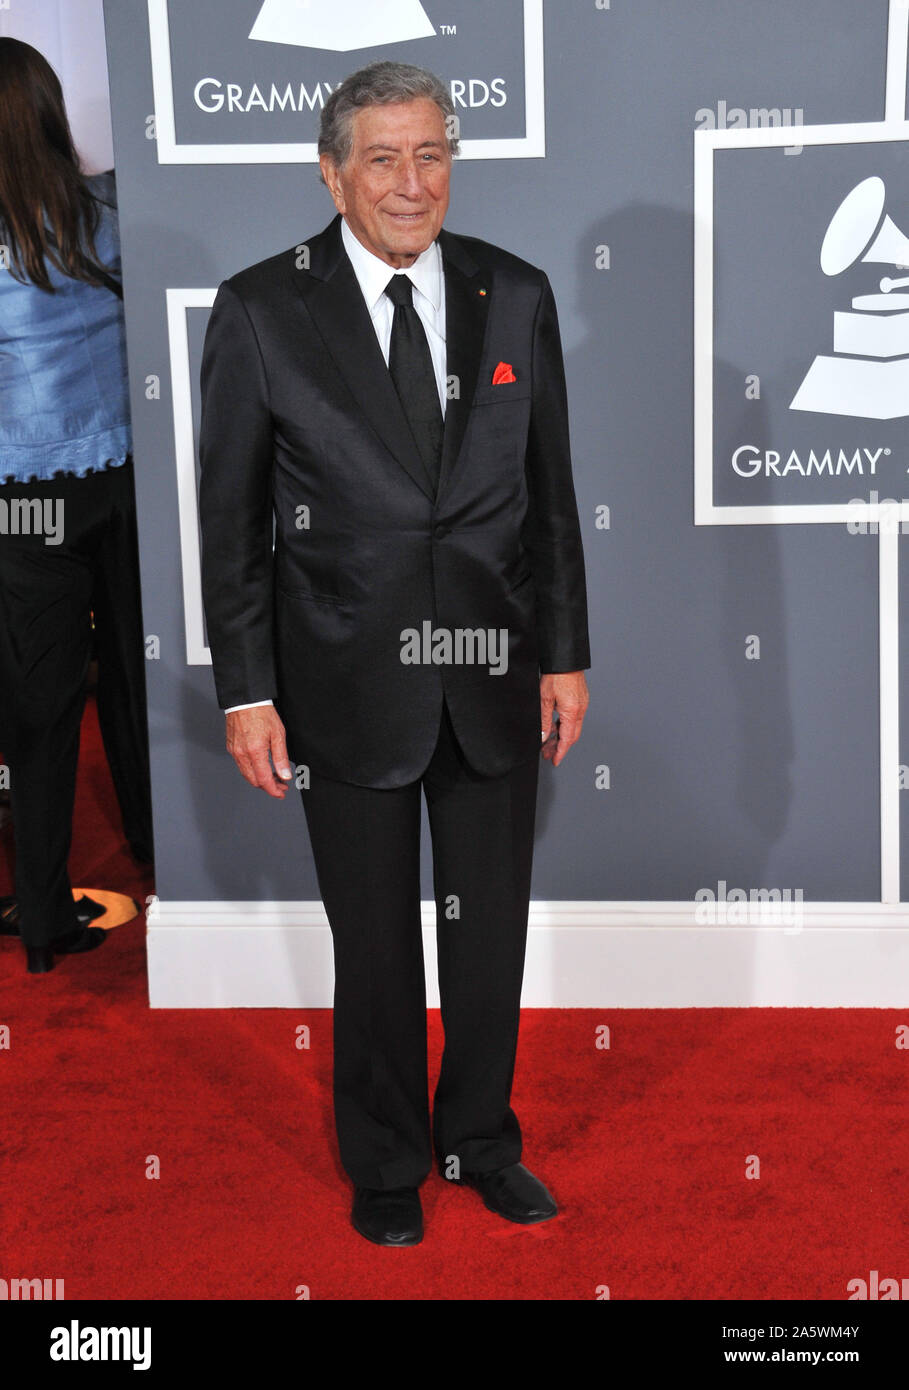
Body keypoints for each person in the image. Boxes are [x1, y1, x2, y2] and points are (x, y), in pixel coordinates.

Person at [199, 60, 590, 1245]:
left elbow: (551, 497)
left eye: (432, 155)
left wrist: (565, 655)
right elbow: (233, 522)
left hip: (491, 670)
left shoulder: (512, 293)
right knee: (372, 940)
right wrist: (247, 688)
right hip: (341, 678)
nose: (413, 183)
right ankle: (382, 1158)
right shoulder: (264, 307)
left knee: (489, 932)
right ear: (331, 171)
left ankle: (478, 1139)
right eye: (384, 158)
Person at [0, 38, 153, 976]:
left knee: (41, 703)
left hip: (19, 503)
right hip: (122, 479)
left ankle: (48, 917)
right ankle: (165, 861)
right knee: (137, 678)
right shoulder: (108, 209)